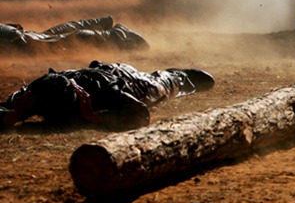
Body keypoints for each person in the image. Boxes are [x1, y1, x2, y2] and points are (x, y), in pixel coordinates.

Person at [0, 60, 215, 130]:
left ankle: (176, 76)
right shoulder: (36, 93)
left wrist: (96, 116)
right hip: (95, 72)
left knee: (157, 88)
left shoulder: (102, 89)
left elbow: (140, 114)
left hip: (125, 80)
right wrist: (13, 115)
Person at [0, 16, 148, 54]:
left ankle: (113, 36)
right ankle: (102, 26)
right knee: (47, 37)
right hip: (11, 35)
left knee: (50, 42)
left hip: (14, 38)